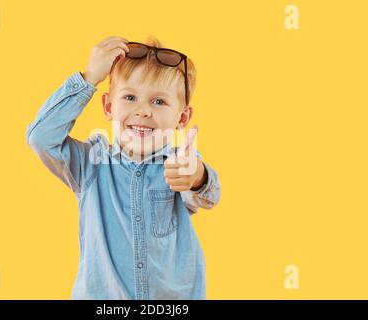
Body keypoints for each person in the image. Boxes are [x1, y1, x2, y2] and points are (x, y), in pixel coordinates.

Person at [26, 35, 222, 299]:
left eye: (159, 101)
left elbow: (209, 195)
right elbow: (41, 137)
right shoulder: (90, 165)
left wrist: (197, 176)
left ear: (182, 117)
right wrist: (88, 79)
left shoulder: (180, 162)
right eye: (130, 97)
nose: (142, 111)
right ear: (108, 106)